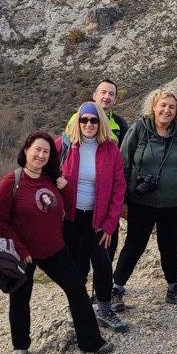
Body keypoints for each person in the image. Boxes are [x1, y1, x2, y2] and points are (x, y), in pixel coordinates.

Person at [0, 131, 114, 354]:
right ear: (26, 150)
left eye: (46, 152)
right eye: (37, 149)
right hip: (24, 253)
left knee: (77, 289)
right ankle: (20, 345)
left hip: (54, 248)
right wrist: (21, 249)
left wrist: (66, 187)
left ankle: (90, 340)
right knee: (20, 297)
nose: (40, 155)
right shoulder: (12, 181)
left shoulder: (52, 180)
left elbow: (69, 211)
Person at [112, 89, 177, 309]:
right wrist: (122, 200)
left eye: (172, 107)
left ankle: (173, 289)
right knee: (134, 245)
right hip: (141, 202)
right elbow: (123, 166)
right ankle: (115, 289)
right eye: (162, 105)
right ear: (153, 106)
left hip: (174, 203)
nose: (166, 110)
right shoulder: (139, 129)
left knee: (169, 246)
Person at [58, 104, 128, 332]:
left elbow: (119, 188)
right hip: (70, 218)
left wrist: (110, 225)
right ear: (77, 122)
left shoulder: (111, 150)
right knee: (76, 267)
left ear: (101, 123)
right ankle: (78, 308)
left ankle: (105, 310)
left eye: (94, 120)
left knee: (103, 264)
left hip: (97, 220)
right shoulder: (65, 146)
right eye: (84, 120)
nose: (89, 124)